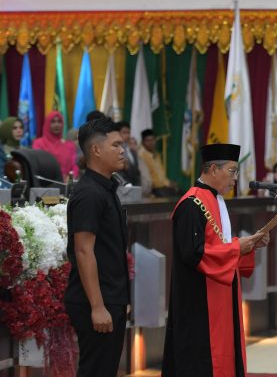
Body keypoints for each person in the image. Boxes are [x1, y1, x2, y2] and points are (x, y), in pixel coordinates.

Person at [162, 143, 270, 376]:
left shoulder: (216, 200)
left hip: (220, 294)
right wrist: (236, 248)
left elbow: (219, 244)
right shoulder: (191, 204)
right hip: (198, 299)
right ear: (212, 169)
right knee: (201, 360)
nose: (235, 178)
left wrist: (247, 246)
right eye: (232, 171)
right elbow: (193, 253)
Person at [64, 118, 129, 376]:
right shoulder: (89, 193)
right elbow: (83, 251)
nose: (122, 150)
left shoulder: (106, 188)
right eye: (116, 145)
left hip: (111, 296)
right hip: (95, 299)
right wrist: (98, 306)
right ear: (96, 150)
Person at [32, 111, 80, 181]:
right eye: (53, 122)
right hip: (46, 183)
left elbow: (74, 165)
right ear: (47, 124)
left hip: (66, 184)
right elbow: (37, 166)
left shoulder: (69, 145)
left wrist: (71, 177)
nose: (56, 125)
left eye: (59, 121)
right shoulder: (38, 143)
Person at [139, 129, 177, 197]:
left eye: (152, 140)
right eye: (148, 140)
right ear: (143, 142)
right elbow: (148, 179)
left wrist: (168, 183)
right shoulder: (141, 157)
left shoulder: (157, 155)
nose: (151, 143)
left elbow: (161, 175)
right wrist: (167, 184)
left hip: (163, 187)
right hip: (154, 189)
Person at [115, 121, 141, 186]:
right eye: (124, 133)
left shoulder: (132, 148)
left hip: (134, 184)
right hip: (122, 184)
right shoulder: (115, 148)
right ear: (117, 133)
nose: (127, 135)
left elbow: (136, 170)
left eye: (128, 132)